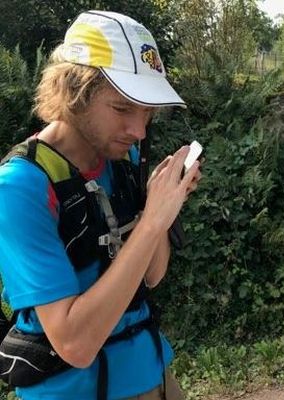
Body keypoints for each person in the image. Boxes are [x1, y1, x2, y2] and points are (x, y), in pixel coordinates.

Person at [0, 10, 199, 400]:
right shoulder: (20, 187)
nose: (139, 130)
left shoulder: (121, 161)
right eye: (123, 108)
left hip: (154, 374)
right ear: (73, 91)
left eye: (147, 112)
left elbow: (152, 276)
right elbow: (74, 343)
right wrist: (150, 223)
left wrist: (159, 209)